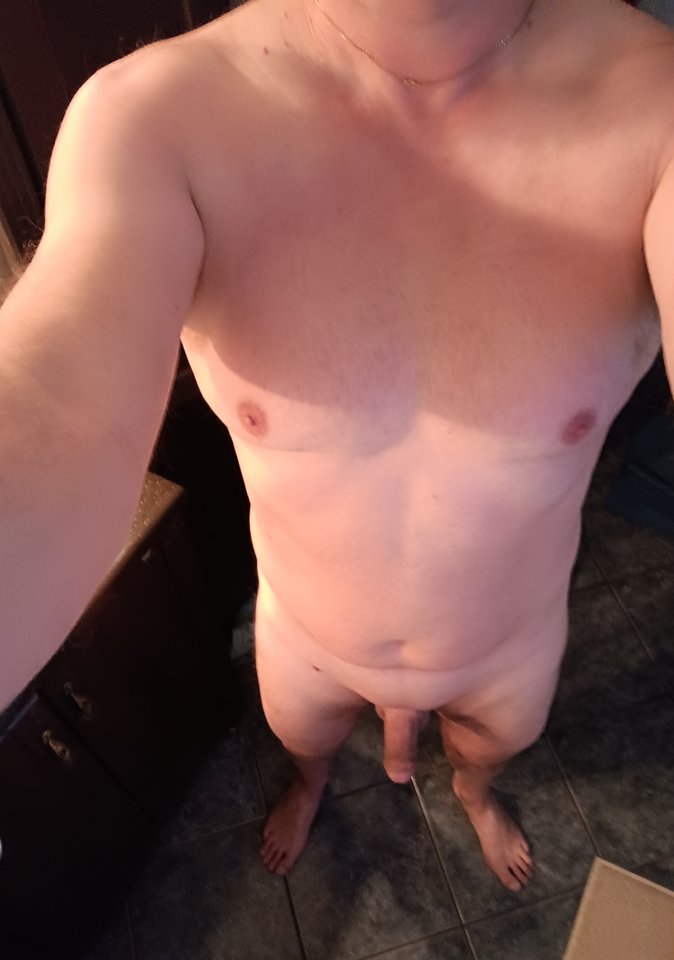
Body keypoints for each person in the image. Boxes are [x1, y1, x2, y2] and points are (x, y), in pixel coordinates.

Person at [1, 0, 672, 893]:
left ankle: (472, 796)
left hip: (506, 654)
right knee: (305, 749)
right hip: (307, 644)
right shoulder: (157, 122)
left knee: (484, 759)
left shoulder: (658, 113)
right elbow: (55, 406)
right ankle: (311, 788)